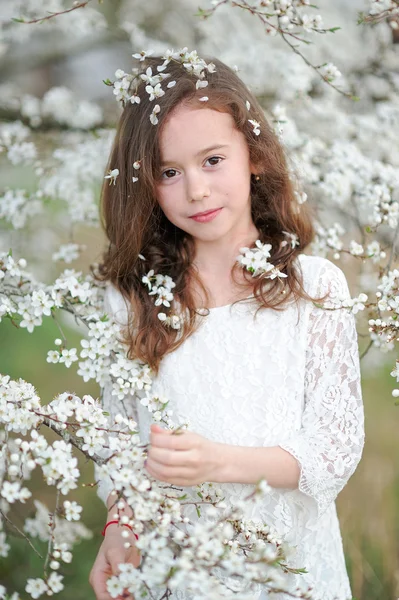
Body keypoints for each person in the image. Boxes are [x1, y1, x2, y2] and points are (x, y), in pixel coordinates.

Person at [89, 51, 364, 600]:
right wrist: (120, 525)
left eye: (212, 160)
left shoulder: (315, 289)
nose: (195, 190)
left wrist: (220, 462)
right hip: (178, 568)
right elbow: (120, 444)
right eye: (169, 172)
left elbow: (334, 451)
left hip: (291, 570)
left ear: (254, 154)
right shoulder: (130, 303)